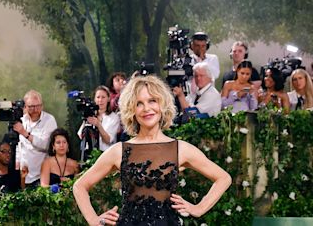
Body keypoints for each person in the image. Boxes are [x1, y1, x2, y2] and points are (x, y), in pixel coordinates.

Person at [73, 75, 231, 225]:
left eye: (152, 101)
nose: (146, 108)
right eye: (139, 103)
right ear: (131, 110)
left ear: (162, 105)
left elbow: (223, 178)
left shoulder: (180, 149)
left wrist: (198, 208)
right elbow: (79, 186)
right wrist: (94, 220)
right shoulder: (118, 151)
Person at [13, 90, 57, 187]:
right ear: (25, 107)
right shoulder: (21, 120)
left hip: (41, 175)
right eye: (31, 107)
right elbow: (19, 145)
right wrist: (17, 163)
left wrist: (25, 134)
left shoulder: (49, 120)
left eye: (38, 106)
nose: (36, 109)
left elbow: (47, 145)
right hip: (23, 175)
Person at [77, 86, 120, 151]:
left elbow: (108, 140)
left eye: (103, 97)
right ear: (94, 99)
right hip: (90, 152)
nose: (100, 100)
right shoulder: (91, 115)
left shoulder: (114, 117)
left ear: (108, 99)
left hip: (106, 153)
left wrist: (98, 125)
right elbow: (80, 135)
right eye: (98, 97)